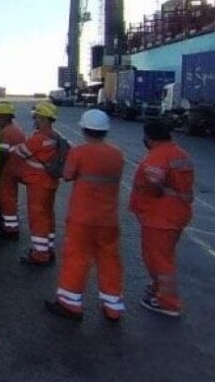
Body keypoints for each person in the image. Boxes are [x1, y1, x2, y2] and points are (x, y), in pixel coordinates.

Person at [46, 110, 125, 321]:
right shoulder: (117, 154)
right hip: (108, 218)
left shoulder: (80, 152)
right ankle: (113, 306)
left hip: (83, 217)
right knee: (109, 259)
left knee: (76, 257)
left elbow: (67, 175)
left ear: (84, 129)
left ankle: (70, 303)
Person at [130, 121, 194, 317]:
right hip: (177, 213)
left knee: (158, 259)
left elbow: (153, 180)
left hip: (160, 215)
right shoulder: (180, 153)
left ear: (150, 137)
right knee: (165, 256)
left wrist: (152, 195)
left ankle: (168, 302)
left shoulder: (158, 155)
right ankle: (159, 288)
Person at [11, 101, 62, 266]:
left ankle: (40, 255)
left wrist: (9, 147)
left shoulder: (38, 138)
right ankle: (48, 248)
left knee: (37, 218)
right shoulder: (55, 137)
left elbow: (21, 152)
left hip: (37, 183)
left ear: (43, 118)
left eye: (37, 117)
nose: (35, 120)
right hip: (50, 182)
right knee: (48, 215)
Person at [0, 102, 27, 240]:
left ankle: (10, 229)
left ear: (5, 117)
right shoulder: (17, 129)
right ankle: (11, 225)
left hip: (8, 169)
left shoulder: (5, 132)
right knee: (11, 197)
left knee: (5, 198)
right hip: (17, 168)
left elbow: (3, 153)